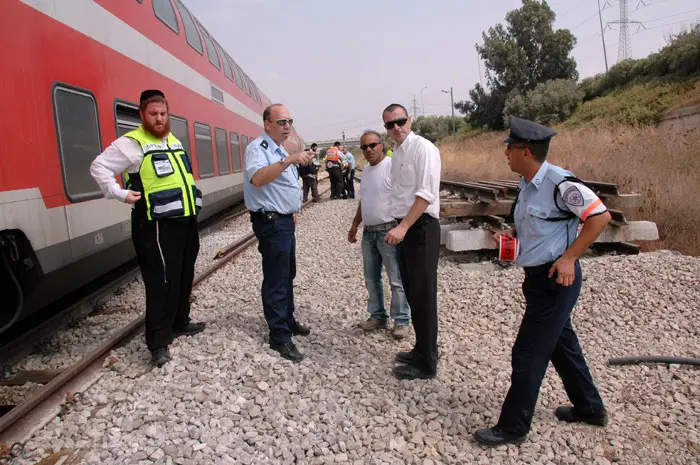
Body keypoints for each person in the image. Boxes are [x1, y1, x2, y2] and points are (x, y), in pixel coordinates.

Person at [473, 116, 611, 446]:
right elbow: (539, 221)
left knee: (527, 353)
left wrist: (570, 258)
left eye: (510, 148)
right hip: (536, 279)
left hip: (555, 279)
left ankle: (513, 427)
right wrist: (513, 232)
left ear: (525, 152)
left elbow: (600, 217)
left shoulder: (561, 183)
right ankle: (590, 408)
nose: (505, 152)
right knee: (562, 347)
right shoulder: (527, 184)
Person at [90, 89, 205, 367]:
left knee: (183, 274)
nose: (159, 118)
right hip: (155, 226)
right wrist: (120, 194)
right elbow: (99, 167)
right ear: (142, 115)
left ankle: (180, 322)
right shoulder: (132, 143)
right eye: (153, 114)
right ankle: (158, 343)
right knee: (161, 283)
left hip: (184, 222)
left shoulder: (173, 140)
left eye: (163, 114)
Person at [244, 103, 315, 363]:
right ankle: (279, 335)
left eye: (289, 122)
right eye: (281, 122)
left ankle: (287, 319)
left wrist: (291, 209)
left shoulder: (277, 149)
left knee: (287, 273)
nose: (287, 126)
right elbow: (259, 179)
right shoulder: (258, 149)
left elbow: (281, 186)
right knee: (276, 277)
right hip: (271, 223)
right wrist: (289, 160)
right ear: (267, 124)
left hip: (284, 221)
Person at [382, 104, 441, 380]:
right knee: (413, 292)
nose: (395, 128)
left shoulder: (423, 149)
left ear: (410, 120)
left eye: (400, 121)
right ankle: (421, 349)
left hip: (420, 228)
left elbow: (426, 193)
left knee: (424, 295)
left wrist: (404, 226)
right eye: (390, 125)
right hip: (405, 229)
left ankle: (427, 364)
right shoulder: (396, 154)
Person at [348, 130, 410, 339]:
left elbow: (405, 196)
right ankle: (378, 316)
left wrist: (402, 227)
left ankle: (401, 320)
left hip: (388, 230)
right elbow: (363, 200)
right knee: (371, 278)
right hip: (369, 233)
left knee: (396, 278)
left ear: (381, 145)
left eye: (372, 145)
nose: (368, 150)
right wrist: (355, 224)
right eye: (364, 147)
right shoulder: (365, 171)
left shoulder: (392, 167)